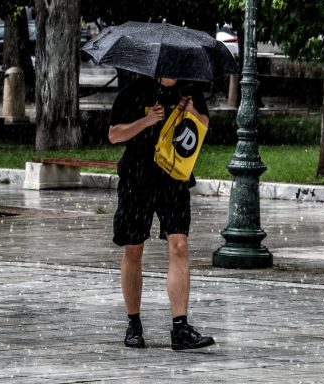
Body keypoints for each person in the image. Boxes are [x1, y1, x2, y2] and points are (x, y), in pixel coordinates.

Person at [108, 75, 214, 351]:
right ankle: (134, 323)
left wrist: (191, 112)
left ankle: (180, 327)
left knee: (179, 245)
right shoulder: (135, 91)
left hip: (173, 179)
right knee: (134, 248)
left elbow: (203, 126)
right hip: (137, 179)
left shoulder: (189, 91)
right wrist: (147, 120)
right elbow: (114, 134)